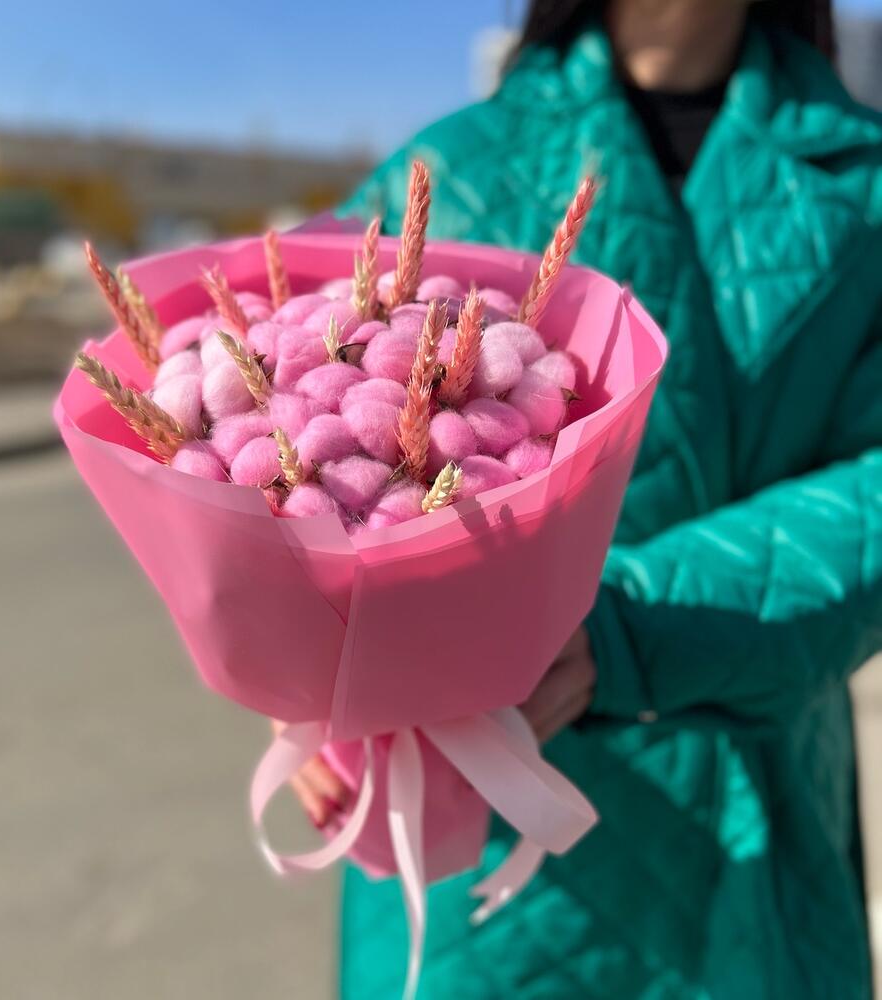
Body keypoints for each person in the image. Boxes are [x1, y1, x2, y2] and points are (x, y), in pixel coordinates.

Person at [289, 1, 882, 995]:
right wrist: (299, 652)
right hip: (476, 811)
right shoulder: (447, 166)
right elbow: (291, 412)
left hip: (749, 784)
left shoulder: (863, 179)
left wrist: (632, 628)